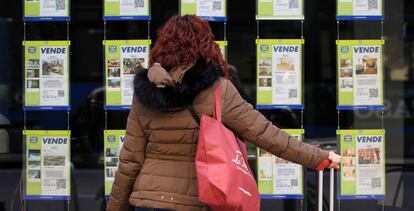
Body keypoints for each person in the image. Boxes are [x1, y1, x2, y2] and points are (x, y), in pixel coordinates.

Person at [107, 15, 340, 211]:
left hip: (148, 201)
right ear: (206, 45)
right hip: (195, 201)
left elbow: (130, 161)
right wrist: (318, 157)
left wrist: (115, 208)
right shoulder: (217, 89)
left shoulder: (143, 93)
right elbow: (264, 133)